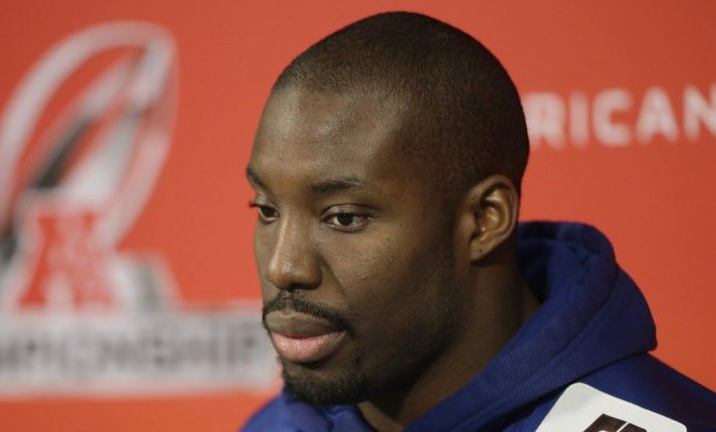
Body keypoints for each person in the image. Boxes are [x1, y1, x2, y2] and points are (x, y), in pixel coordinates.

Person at [242, 11, 716, 432]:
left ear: (486, 220)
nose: (283, 268)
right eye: (266, 209)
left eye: (343, 217)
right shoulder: (276, 425)